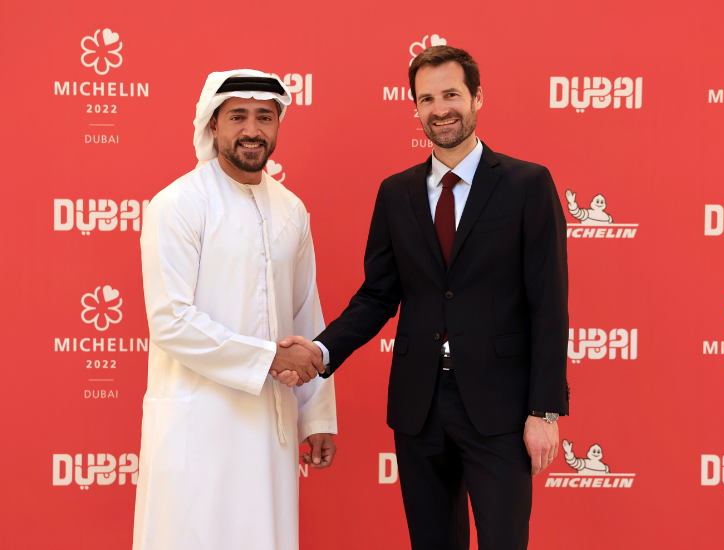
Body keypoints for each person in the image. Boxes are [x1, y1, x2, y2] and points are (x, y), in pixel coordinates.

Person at [276, 47, 570, 549]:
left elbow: (549, 304)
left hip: (500, 407)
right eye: (427, 99)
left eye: (451, 94)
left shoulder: (527, 184)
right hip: (420, 406)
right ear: (415, 106)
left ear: (477, 97)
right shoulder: (396, 193)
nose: (440, 109)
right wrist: (321, 351)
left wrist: (543, 412)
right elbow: (377, 296)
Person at [132, 69, 337, 550]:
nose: (252, 130)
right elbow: (170, 320)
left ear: (278, 124)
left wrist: (317, 417)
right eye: (238, 116)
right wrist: (268, 358)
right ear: (213, 123)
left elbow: (305, 316)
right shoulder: (179, 203)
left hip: (269, 425)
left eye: (264, 117)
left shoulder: (291, 209)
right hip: (196, 423)